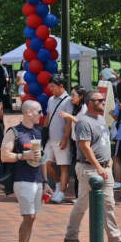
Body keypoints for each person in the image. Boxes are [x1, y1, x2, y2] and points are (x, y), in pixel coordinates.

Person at [63, 89, 121, 242]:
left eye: (103, 100)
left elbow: (103, 141)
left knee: (109, 204)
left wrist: (108, 161)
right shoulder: (83, 122)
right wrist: (98, 167)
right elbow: (85, 147)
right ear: (89, 103)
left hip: (104, 168)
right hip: (89, 169)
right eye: (99, 100)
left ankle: (115, 239)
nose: (103, 102)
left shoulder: (101, 119)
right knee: (82, 204)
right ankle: (71, 236)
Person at [0, 100, 52, 242]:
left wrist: (45, 181)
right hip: (22, 179)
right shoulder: (14, 132)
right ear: (28, 112)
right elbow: (4, 156)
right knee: (28, 216)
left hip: (36, 179)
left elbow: (41, 158)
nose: (41, 114)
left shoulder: (37, 132)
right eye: (38, 111)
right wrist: (23, 156)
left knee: (32, 217)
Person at [43, 74, 73, 204]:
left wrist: (65, 138)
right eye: (50, 87)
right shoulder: (50, 99)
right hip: (50, 138)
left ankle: (61, 192)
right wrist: (43, 132)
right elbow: (48, 116)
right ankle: (58, 184)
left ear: (61, 86)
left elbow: (69, 122)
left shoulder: (68, 100)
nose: (51, 89)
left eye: (53, 86)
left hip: (61, 138)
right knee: (46, 163)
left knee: (63, 166)